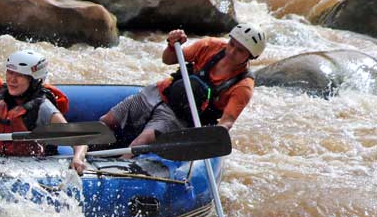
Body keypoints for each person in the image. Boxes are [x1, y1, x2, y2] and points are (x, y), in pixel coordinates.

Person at [85, 24, 266, 161]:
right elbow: (168, 59)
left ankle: (115, 172)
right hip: (158, 93)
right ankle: (81, 153)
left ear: (251, 56)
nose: (232, 51)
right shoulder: (210, 45)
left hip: (179, 118)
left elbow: (226, 122)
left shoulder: (243, 86)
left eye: (240, 50)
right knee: (107, 121)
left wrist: (211, 136)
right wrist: (172, 45)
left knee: (139, 143)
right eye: (232, 44)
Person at [0, 49, 88, 174]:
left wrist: (78, 158)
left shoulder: (43, 108)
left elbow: (79, 140)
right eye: (10, 72)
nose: (12, 79)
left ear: (34, 80)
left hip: (30, 170)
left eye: (20, 75)